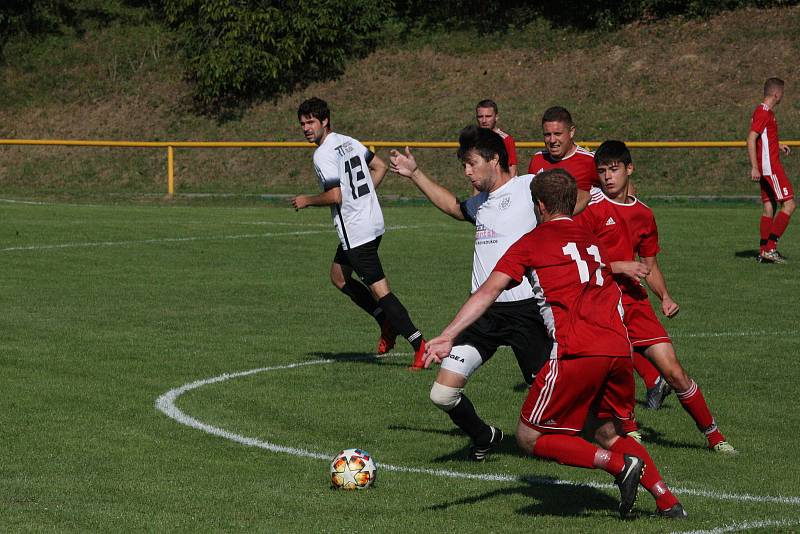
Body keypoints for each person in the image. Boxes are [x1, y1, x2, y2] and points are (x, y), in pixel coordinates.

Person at [425, 169, 687, 519]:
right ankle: (667, 500)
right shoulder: (590, 238)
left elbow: (488, 291)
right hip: (619, 350)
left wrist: (448, 334)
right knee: (607, 430)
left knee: (528, 437)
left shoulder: (532, 242)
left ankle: (618, 465)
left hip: (577, 351)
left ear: (541, 206)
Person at [389, 125, 550, 460]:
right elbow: (453, 207)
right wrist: (415, 174)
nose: (466, 171)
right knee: (442, 394)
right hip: (483, 314)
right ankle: (485, 436)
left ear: (494, 159)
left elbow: (573, 200)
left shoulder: (529, 187)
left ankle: (613, 433)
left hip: (525, 311)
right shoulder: (480, 203)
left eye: (471, 163)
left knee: (554, 399)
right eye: (464, 164)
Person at [578, 140, 735, 453]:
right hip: (602, 304)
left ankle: (715, 437)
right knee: (615, 371)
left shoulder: (644, 215)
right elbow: (578, 259)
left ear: (629, 169)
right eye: (602, 171)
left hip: (636, 304)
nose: (608, 177)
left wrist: (664, 295)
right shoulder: (591, 211)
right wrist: (619, 265)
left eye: (614, 169)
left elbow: (650, 264)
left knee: (674, 372)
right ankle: (629, 430)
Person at [292, 97, 427, 369]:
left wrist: (307, 199)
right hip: (372, 223)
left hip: (357, 232)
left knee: (381, 291)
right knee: (339, 277)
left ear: (324, 121)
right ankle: (385, 322)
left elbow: (334, 195)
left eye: (311, 122)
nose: (306, 128)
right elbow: (380, 166)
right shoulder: (348, 141)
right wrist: (362, 198)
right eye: (302, 124)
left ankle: (419, 344)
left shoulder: (322, 154)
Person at [747, 77, 795, 264]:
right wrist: (754, 167)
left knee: (769, 207)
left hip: (766, 167)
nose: (782, 96)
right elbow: (751, 139)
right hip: (770, 168)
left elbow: (763, 138)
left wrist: (778, 144)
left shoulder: (764, 112)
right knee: (790, 204)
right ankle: (770, 248)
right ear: (776, 93)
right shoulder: (764, 113)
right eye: (782, 93)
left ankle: (762, 251)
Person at [527, 106, 598, 213]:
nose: (552, 140)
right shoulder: (537, 159)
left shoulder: (590, 161)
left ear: (571, 132)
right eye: (547, 135)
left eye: (557, 134)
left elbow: (617, 190)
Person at [476, 99, 518, 177]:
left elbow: (513, 172)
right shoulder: (474, 140)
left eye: (488, 116)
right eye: (480, 116)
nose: (484, 120)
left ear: (496, 117)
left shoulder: (506, 140)